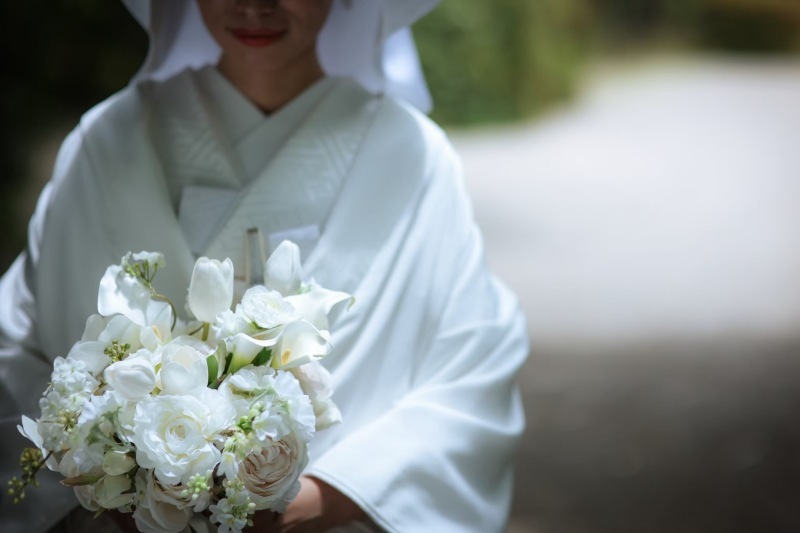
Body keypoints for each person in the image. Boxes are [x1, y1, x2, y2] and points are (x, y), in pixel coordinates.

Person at [0, 1, 528, 532]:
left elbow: (471, 375)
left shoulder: (413, 158)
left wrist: (324, 498)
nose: (254, 5)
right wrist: (109, 483)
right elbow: (15, 350)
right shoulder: (108, 144)